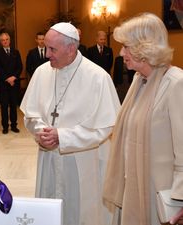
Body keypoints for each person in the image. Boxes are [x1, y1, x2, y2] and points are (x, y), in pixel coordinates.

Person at [20, 22, 120, 225]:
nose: (47, 54)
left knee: (80, 211)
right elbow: (30, 115)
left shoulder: (98, 77)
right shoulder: (41, 72)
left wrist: (63, 137)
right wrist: (42, 132)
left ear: (71, 48)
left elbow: (105, 127)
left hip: (83, 160)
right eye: (46, 47)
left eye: (52, 49)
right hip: (49, 157)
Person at [103, 13, 183, 225]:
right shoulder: (140, 81)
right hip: (133, 186)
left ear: (144, 47)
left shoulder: (176, 83)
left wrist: (181, 199)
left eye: (126, 47)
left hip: (160, 193)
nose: (121, 53)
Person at [0, 32, 23, 134]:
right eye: (3, 40)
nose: (5, 41)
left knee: (13, 106)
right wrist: (7, 78)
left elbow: (20, 67)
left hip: (14, 83)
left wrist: (13, 77)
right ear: (0, 42)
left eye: (6, 39)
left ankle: (14, 125)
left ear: (9, 41)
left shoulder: (16, 52)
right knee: (5, 106)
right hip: (3, 84)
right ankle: (5, 126)